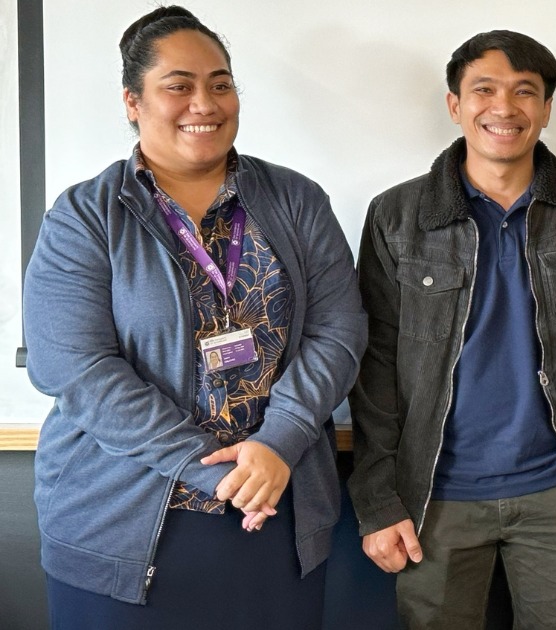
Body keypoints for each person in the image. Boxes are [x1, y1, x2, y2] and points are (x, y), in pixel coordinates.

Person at [23, 7, 366, 629]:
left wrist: (277, 441)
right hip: (120, 523)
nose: (204, 103)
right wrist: (216, 471)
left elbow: (338, 334)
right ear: (133, 101)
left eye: (220, 83)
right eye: (178, 85)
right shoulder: (84, 216)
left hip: (278, 510)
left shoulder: (297, 200)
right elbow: (73, 367)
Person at [348, 30, 556, 629]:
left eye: (524, 92)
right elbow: (374, 369)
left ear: (546, 108)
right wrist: (378, 500)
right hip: (434, 495)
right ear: (455, 105)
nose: (504, 108)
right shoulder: (397, 217)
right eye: (484, 90)